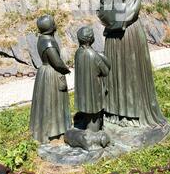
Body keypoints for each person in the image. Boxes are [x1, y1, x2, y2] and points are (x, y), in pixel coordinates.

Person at [92, 0, 168, 128]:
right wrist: (106, 18)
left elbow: (131, 11)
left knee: (130, 73)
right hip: (112, 35)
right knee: (114, 73)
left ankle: (133, 115)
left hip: (128, 33)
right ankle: (114, 112)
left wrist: (112, 20)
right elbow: (101, 9)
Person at [30, 14, 71, 143]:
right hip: (51, 73)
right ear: (51, 27)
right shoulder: (48, 41)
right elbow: (57, 62)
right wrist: (66, 69)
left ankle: (42, 130)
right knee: (53, 102)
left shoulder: (41, 38)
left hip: (44, 71)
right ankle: (54, 131)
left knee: (44, 102)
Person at [74, 26, 111, 132]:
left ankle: (88, 129)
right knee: (94, 117)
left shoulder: (78, 53)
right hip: (94, 92)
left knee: (87, 114)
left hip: (83, 91)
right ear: (91, 39)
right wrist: (102, 56)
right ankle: (93, 135)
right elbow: (105, 71)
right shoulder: (94, 56)